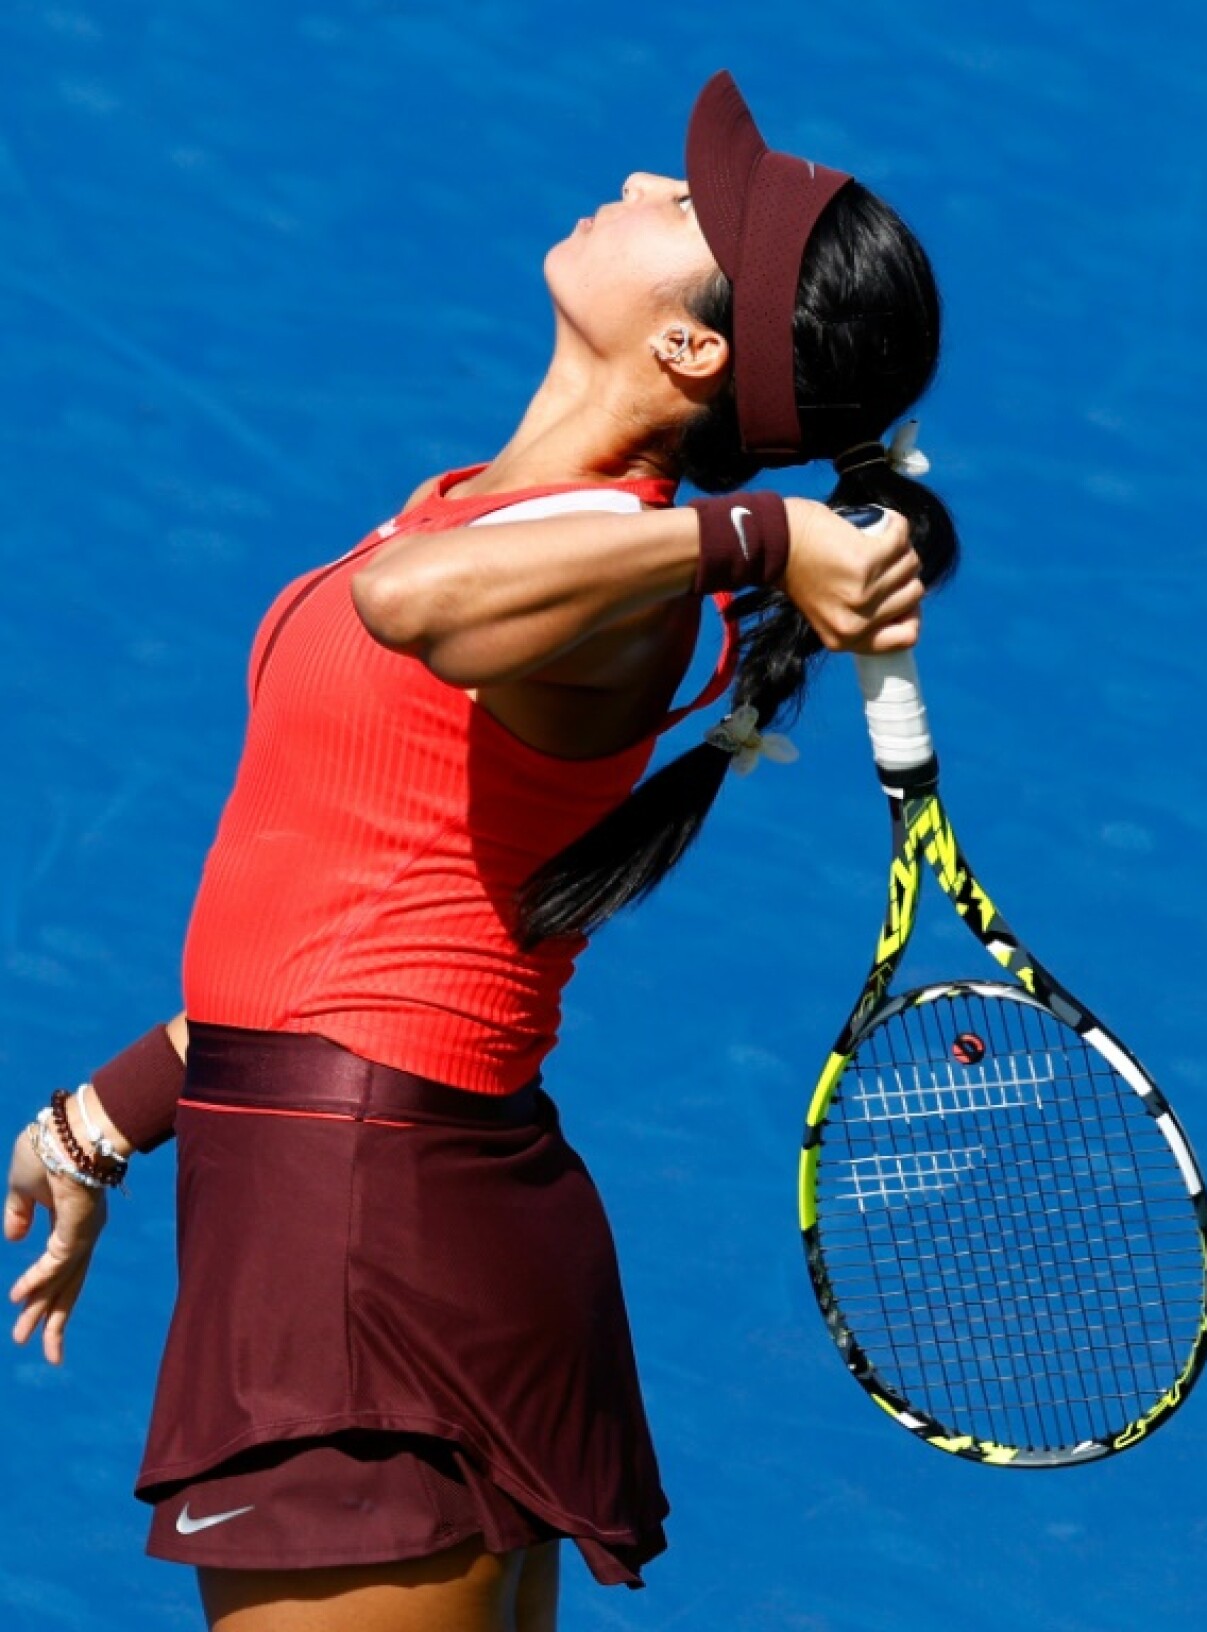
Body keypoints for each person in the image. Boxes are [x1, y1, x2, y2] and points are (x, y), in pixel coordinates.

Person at [4, 70, 958, 1632]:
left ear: (692, 348)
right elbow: (357, 910)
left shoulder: (627, 586)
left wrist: (766, 534)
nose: (651, 174)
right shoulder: (499, 519)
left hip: (360, 1246)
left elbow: (414, 613)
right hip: (358, 1200)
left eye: (688, 206)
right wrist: (102, 1122)